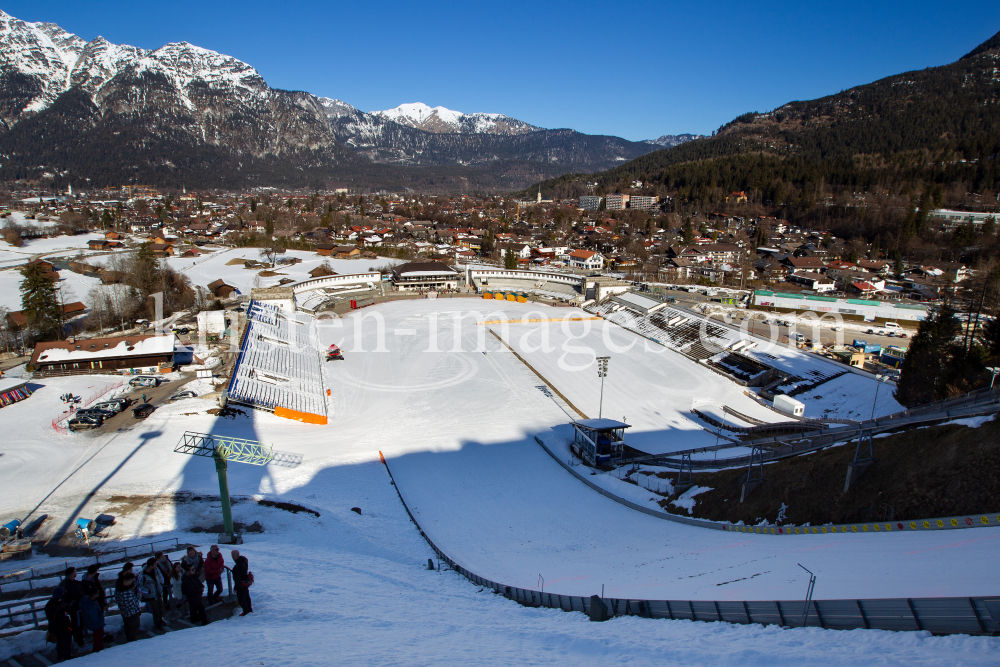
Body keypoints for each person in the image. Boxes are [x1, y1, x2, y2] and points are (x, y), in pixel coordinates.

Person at [44, 587, 73, 661]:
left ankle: (60, 654)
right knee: (66, 641)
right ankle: (67, 656)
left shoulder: (49, 605)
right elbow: (63, 617)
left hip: (55, 627)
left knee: (59, 641)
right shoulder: (60, 606)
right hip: (64, 627)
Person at [59, 566, 85, 647]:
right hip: (75, 608)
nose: (76, 573)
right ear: (72, 574)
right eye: (75, 571)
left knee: (76, 625)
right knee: (78, 625)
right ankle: (80, 643)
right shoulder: (71, 585)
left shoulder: (64, 583)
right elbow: (78, 595)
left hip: (71, 608)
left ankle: (79, 641)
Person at [115, 573, 143, 642]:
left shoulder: (118, 588)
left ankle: (130, 640)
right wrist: (139, 595)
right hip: (132, 613)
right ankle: (133, 641)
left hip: (124, 612)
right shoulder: (127, 592)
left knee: (128, 629)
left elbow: (118, 600)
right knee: (134, 629)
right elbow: (134, 603)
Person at [79, 586, 107, 653]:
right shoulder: (92, 606)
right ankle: (98, 651)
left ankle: (96, 650)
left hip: (93, 624)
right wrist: (103, 610)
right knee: (98, 640)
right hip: (96, 625)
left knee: (97, 639)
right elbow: (95, 619)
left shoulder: (87, 602)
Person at [139, 558, 165, 629]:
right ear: (150, 566)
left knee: (160, 606)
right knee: (155, 609)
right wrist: (147, 591)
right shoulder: (143, 575)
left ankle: (160, 619)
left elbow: (160, 576)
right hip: (150, 595)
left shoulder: (156, 570)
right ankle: (157, 624)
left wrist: (161, 583)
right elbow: (139, 586)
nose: (156, 565)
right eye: (155, 564)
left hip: (158, 591)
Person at [231, 550, 252, 616]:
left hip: (241, 585)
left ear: (233, 556)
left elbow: (237, 579)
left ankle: (246, 612)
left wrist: (235, 588)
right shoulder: (244, 561)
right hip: (245, 582)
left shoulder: (237, 567)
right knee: (247, 597)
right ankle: (249, 610)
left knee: (241, 599)